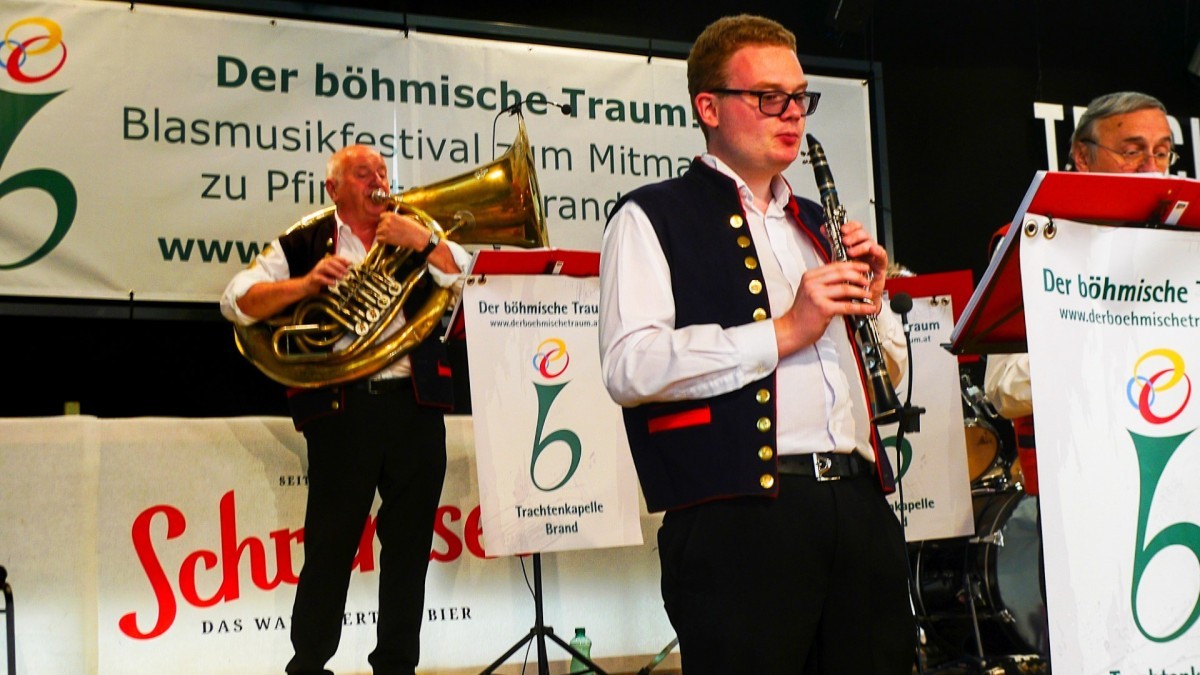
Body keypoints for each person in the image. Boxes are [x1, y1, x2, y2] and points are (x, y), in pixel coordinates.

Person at [598, 14, 914, 674]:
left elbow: (887, 379)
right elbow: (629, 366)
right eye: (769, 97)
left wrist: (875, 303)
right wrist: (785, 330)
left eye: (799, 97)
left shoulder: (818, 225)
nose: (792, 112)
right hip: (740, 521)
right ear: (708, 107)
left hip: (857, 504)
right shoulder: (651, 215)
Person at [220, 144, 471, 675]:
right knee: (330, 547)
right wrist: (306, 286)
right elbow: (236, 300)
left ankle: (397, 666)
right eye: (363, 173)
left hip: (416, 408)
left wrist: (425, 243)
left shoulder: (416, 230)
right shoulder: (305, 240)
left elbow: (472, 284)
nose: (378, 180)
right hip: (343, 410)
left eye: (382, 171)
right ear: (333, 189)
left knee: (409, 548)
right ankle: (309, 664)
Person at [984, 91, 1177, 497]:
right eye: (1132, 152)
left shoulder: (1185, 245)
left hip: (1178, 470)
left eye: (1162, 153)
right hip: (1076, 486)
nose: (1151, 168)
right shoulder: (1032, 244)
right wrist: (1095, 348)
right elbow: (1002, 389)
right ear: (1083, 157)